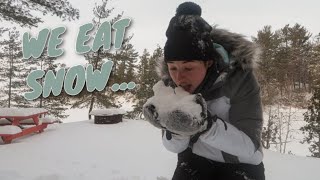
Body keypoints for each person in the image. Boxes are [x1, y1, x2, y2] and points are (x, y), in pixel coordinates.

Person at [144, 2, 265, 180]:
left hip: (241, 165)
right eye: (173, 68)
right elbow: (174, 147)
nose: (179, 78)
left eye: (188, 68)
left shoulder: (240, 80)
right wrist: (174, 127)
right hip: (196, 161)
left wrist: (206, 126)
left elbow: (253, 153)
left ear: (208, 63)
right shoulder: (171, 84)